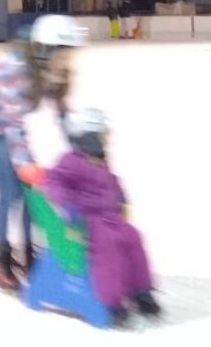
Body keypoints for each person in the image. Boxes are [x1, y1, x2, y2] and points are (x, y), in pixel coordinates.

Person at [0, 14, 83, 291]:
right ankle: (1, 261)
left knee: (32, 194)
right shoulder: (15, 68)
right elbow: (13, 125)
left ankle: (28, 254)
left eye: (68, 55)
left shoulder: (55, 70)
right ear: (44, 50)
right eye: (62, 54)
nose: (66, 62)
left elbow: (63, 114)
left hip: (10, 127)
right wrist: (24, 165)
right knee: (11, 193)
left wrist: (82, 148)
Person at [40, 108, 160, 326]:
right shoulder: (71, 161)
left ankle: (140, 290)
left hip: (110, 216)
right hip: (86, 220)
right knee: (109, 246)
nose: (107, 140)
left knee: (133, 237)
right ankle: (111, 302)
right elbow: (54, 181)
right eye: (104, 135)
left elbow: (112, 181)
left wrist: (122, 196)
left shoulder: (100, 161)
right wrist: (68, 205)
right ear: (90, 137)